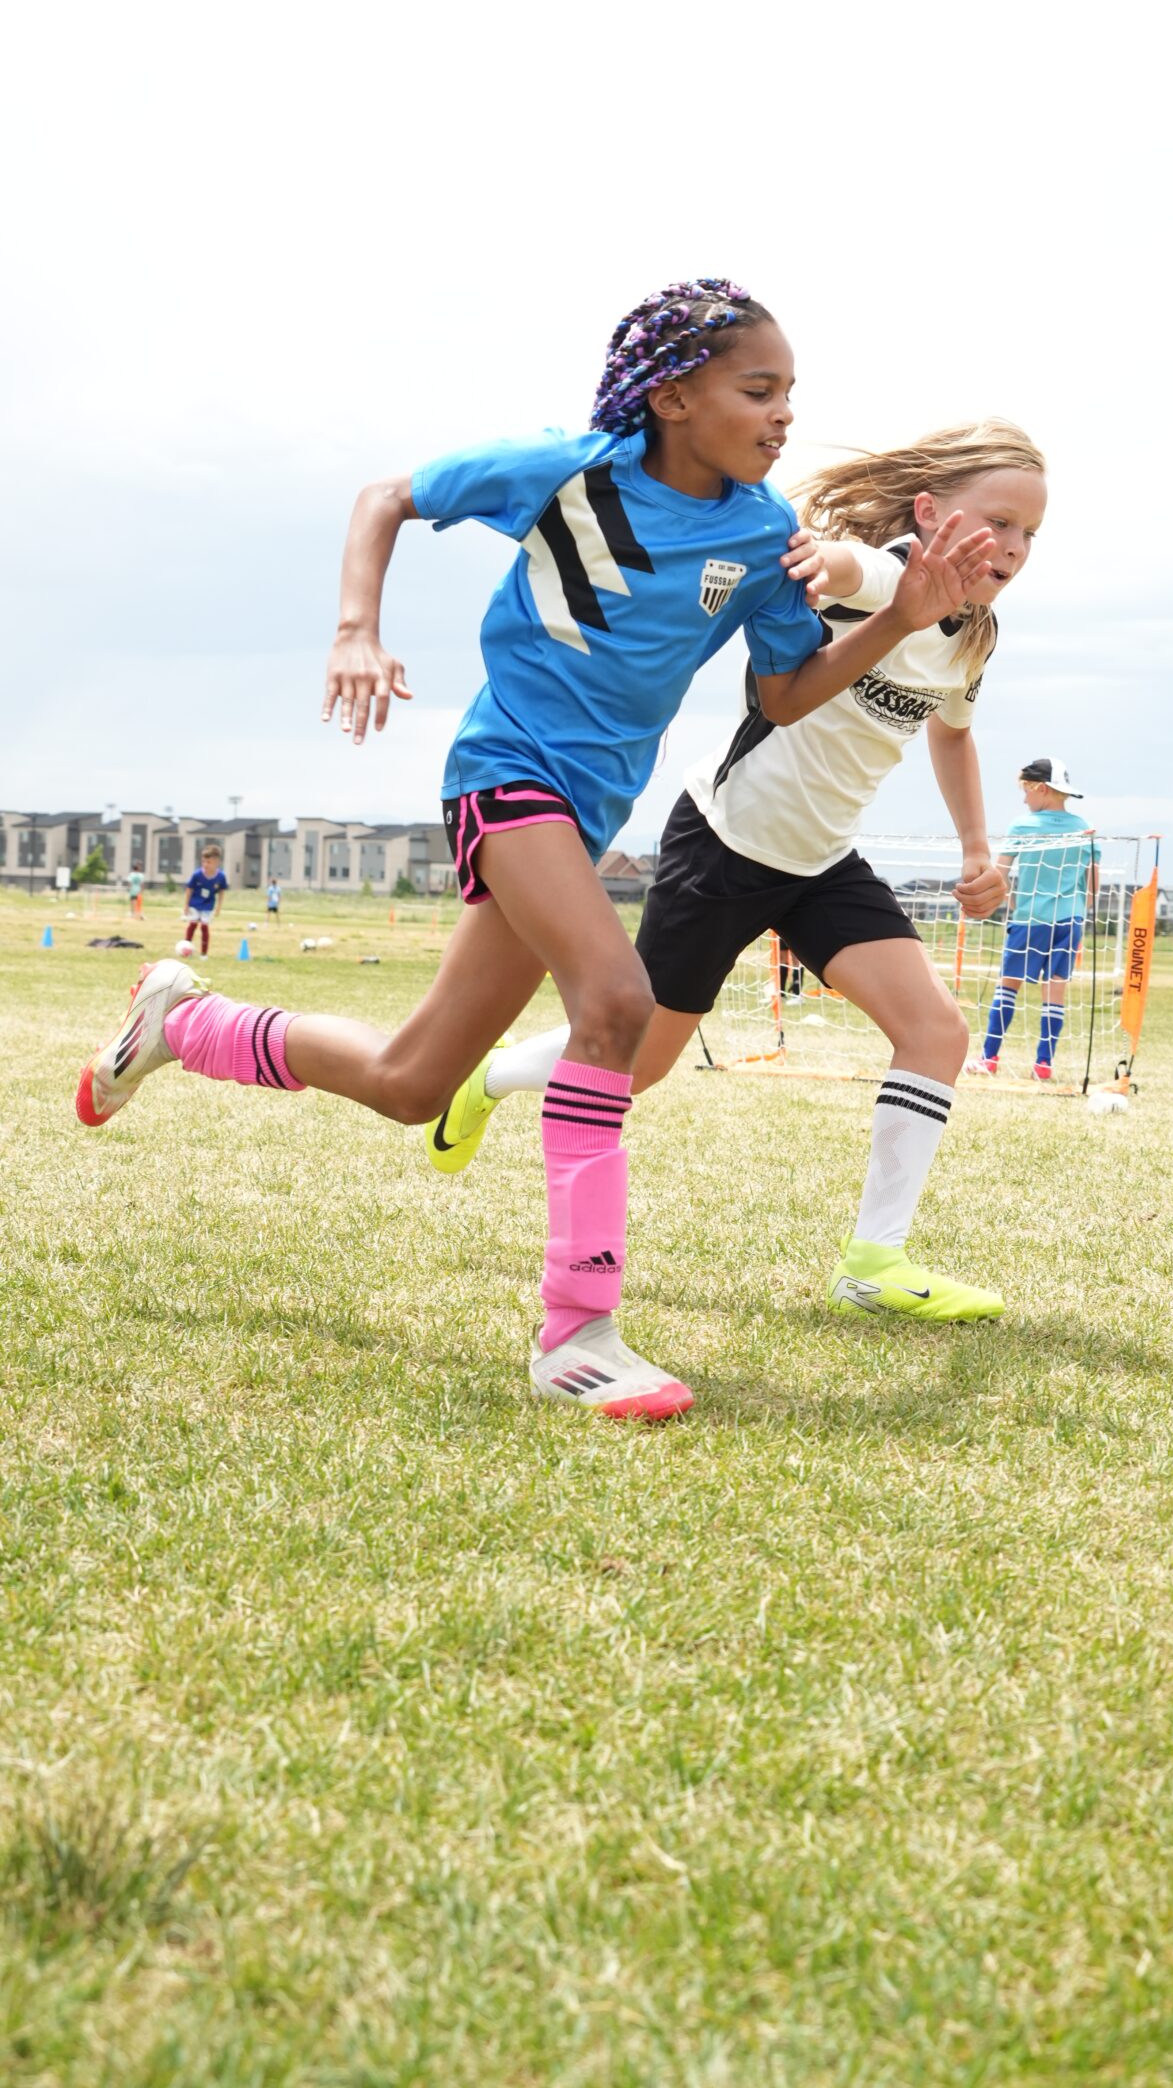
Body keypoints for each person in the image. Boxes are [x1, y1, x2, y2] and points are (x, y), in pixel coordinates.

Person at [76, 278, 995, 1419]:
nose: (783, 415)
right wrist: (356, 629)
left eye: (790, 394)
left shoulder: (764, 536)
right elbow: (386, 497)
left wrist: (902, 620)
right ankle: (580, 1334)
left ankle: (190, 1021)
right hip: (505, 774)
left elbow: (784, 693)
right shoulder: (570, 471)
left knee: (412, 1082)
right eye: (758, 390)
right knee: (615, 1001)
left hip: (582, 815)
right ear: (671, 396)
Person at [425, 420, 1045, 1323]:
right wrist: (820, 561)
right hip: (724, 844)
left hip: (822, 861)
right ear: (927, 513)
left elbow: (951, 731)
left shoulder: (971, 640)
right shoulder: (889, 577)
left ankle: (874, 1262)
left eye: (1031, 534)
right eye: (999, 522)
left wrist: (977, 847)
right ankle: (491, 1077)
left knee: (935, 1032)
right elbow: (832, 567)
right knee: (638, 1068)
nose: (1015, 548)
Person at [978, 759, 1098, 1080]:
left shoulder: (1023, 827)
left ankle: (988, 1059)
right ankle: (1043, 1065)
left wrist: (991, 898)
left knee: (1007, 986)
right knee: (1055, 991)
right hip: (1069, 921)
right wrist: (1076, 911)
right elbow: (1094, 886)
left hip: (1030, 920)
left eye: (1026, 790)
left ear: (1042, 788)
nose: (1024, 799)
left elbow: (999, 875)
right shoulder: (1085, 830)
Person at [182, 846, 228, 956]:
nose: (205, 865)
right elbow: (189, 889)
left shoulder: (221, 876)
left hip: (208, 905)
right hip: (195, 904)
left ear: (216, 862)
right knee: (192, 924)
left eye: (209, 862)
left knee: (204, 926)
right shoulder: (197, 875)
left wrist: (218, 907)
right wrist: (186, 905)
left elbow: (222, 892)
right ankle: (185, 949)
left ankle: (204, 954)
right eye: (203, 862)